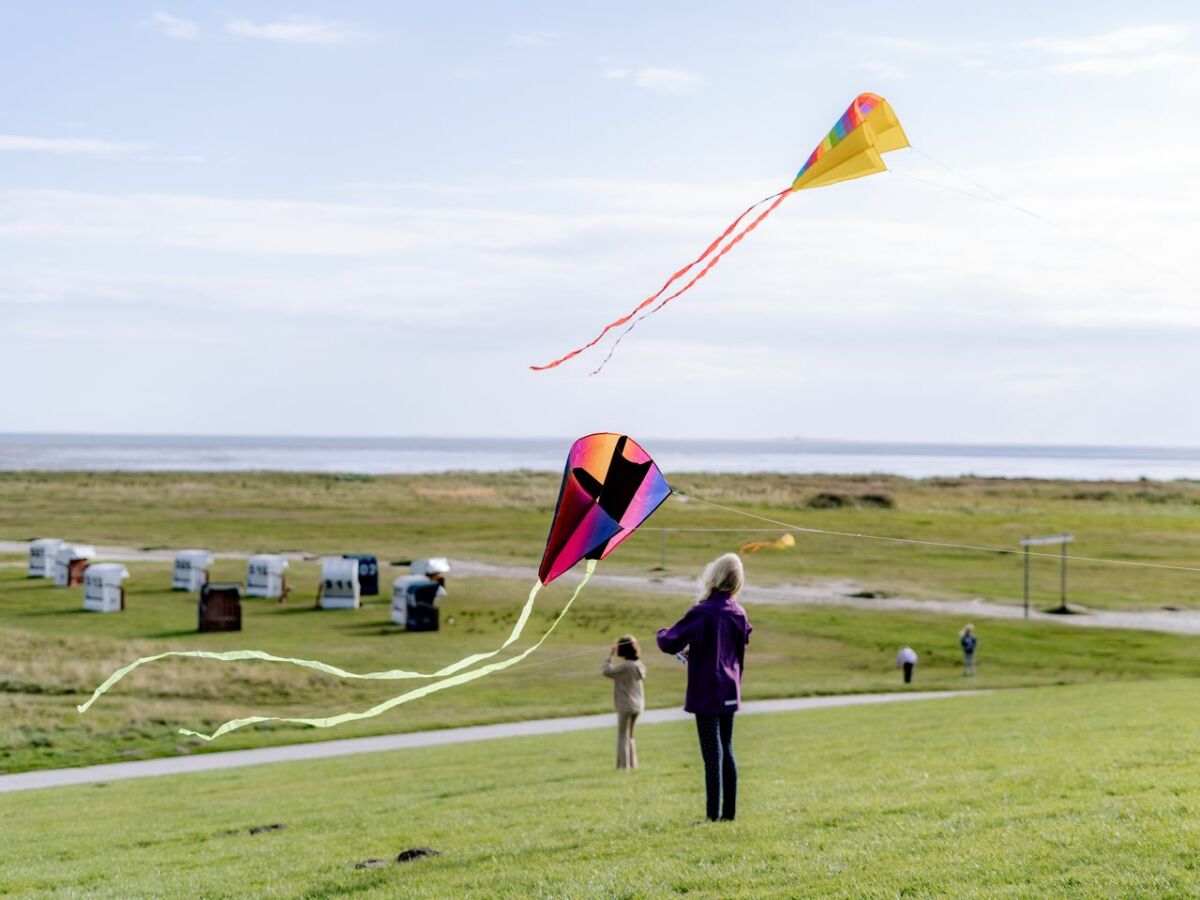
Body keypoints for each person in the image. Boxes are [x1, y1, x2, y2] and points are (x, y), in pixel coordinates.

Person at [656, 553, 753, 822]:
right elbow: (735, 644)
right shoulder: (738, 612)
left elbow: (669, 642)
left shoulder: (703, 611)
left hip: (707, 690)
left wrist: (661, 632)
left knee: (712, 754)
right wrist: (698, 651)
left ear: (714, 576)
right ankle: (728, 815)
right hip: (729, 689)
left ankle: (713, 817)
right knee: (727, 749)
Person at [602, 635, 646, 770]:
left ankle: (623, 766)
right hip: (638, 705)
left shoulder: (625, 666)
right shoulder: (639, 666)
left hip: (625, 705)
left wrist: (610, 655)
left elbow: (606, 671)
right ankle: (633, 765)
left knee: (622, 736)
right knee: (630, 735)